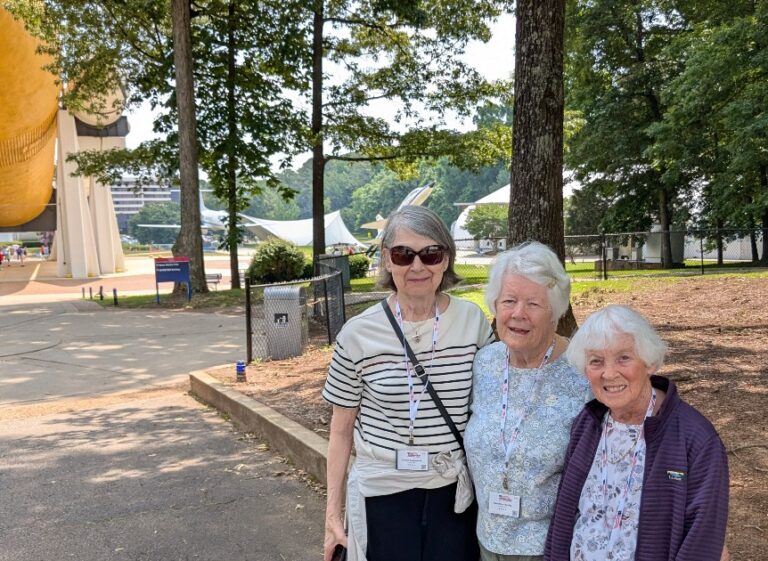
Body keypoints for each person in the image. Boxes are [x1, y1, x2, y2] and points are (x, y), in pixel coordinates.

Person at [322, 205, 494, 561]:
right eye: (404, 254)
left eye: (431, 254)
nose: (418, 266)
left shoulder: (472, 322)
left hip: (453, 494)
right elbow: (340, 431)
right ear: (387, 259)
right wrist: (332, 516)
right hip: (383, 493)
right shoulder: (356, 334)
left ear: (446, 260)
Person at [545, 305, 729, 561]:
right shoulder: (587, 424)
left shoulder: (695, 438)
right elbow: (565, 517)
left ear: (649, 363)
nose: (609, 373)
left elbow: (703, 539)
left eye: (624, 358)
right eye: (596, 361)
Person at [465, 241, 592, 561]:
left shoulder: (583, 374)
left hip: (552, 548)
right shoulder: (484, 363)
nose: (518, 313)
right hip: (486, 541)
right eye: (509, 300)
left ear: (555, 312)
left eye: (533, 303)